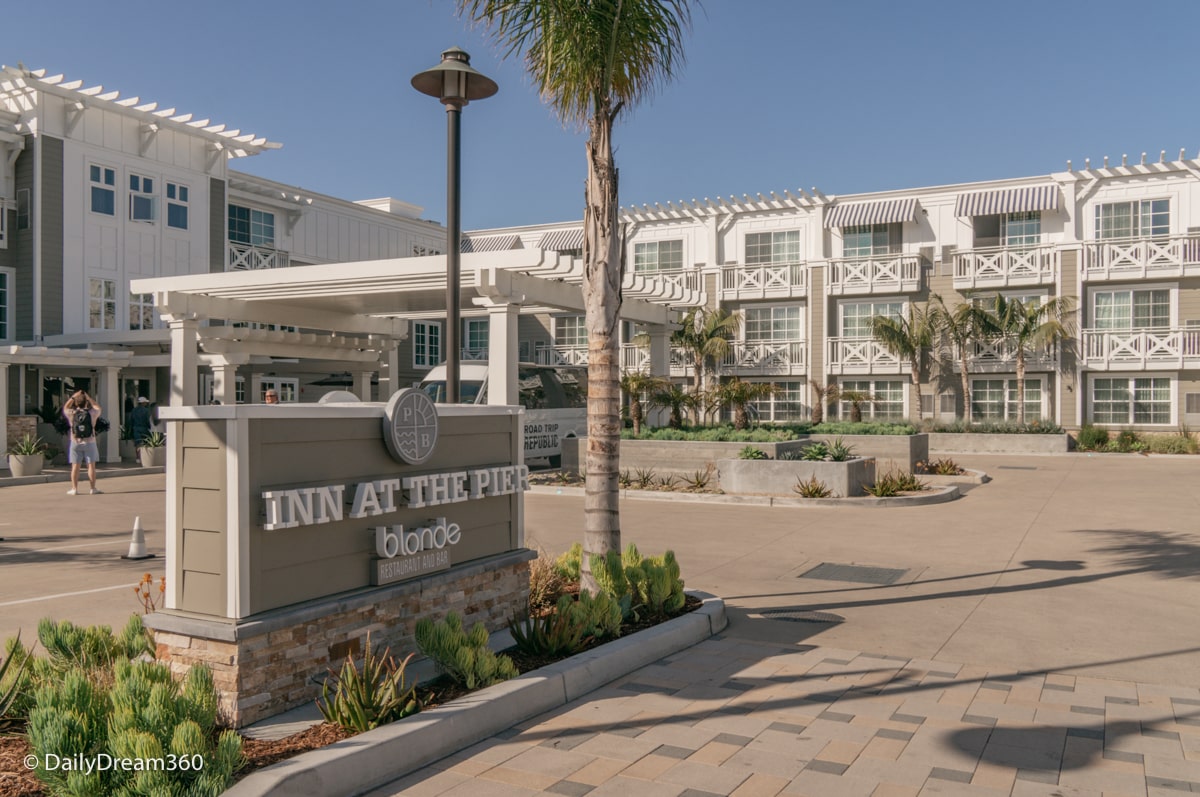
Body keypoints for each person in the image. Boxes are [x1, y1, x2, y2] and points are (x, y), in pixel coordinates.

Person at [63, 389, 102, 495]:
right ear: (86, 402)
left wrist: (73, 397)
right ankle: (92, 488)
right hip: (90, 441)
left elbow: (65, 407)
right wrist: (89, 398)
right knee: (91, 466)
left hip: (75, 442)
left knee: (75, 466)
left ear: (76, 403)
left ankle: (74, 489)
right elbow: (97, 407)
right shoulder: (92, 413)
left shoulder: (71, 413)